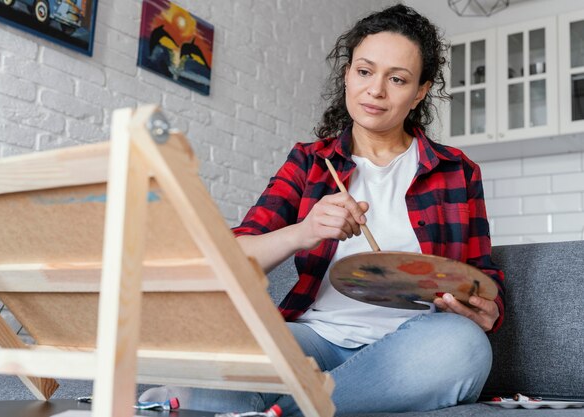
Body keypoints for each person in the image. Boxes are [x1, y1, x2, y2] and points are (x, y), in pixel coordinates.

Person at [140, 3, 505, 415]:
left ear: (420, 90)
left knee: (464, 346)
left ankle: (273, 409)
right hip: (314, 340)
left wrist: (484, 308)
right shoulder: (310, 161)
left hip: (412, 348)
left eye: (397, 79)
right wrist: (305, 231)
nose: (375, 90)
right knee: (226, 344)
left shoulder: (456, 170)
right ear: (347, 73)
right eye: (364, 71)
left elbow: (484, 277)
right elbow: (229, 259)